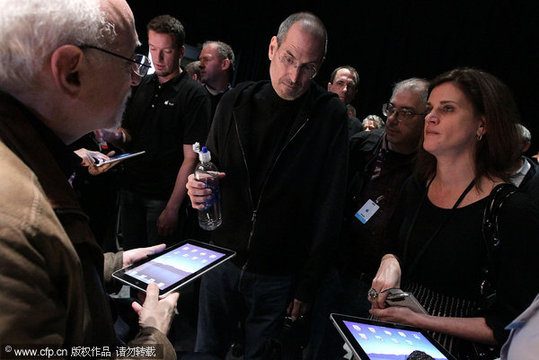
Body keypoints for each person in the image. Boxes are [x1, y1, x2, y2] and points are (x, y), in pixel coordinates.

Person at [0, 0, 178, 355]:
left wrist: (107, 265)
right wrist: (153, 339)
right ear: (70, 71)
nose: (134, 78)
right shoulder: (15, 228)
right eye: (130, 61)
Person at [186, 12, 348, 360]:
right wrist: (195, 187)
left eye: (308, 67)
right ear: (272, 48)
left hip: (279, 272)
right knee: (205, 352)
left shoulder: (329, 115)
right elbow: (206, 168)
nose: (294, 76)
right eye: (289, 59)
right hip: (220, 259)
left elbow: (330, 205)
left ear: (319, 68)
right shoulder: (234, 101)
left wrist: (307, 282)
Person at [369, 68, 539, 359]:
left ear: (482, 125)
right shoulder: (417, 185)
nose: (431, 118)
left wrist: (420, 320)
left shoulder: (511, 210)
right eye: (430, 108)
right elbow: (394, 245)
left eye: (447, 109)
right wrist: (390, 262)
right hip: (394, 340)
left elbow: (504, 326)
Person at [306, 78, 429, 360]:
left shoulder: (429, 170)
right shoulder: (362, 146)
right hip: (337, 272)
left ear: (426, 118)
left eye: (406, 113)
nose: (394, 119)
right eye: (391, 109)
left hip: (381, 289)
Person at [98, 15, 211, 250]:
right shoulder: (144, 85)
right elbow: (129, 135)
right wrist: (113, 137)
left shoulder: (194, 94)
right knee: (130, 267)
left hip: (162, 197)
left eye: (166, 51)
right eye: (153, 49)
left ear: (180, 51)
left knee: (155, 273)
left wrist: (172, 208)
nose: (158, 58)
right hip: (130, 191)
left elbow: (190, 158)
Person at [199, 40, 235, 118]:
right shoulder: (190, 96)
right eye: (200, 60)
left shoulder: (238, 103)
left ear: (224, 64)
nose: (200, 65)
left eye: (207, 59)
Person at [327, 65, 362, 137]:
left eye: (350, 86)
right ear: (329, 87)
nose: (345, 90)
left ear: (354, 93)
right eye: (340, 83)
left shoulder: (356, 127)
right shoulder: (311, 114)